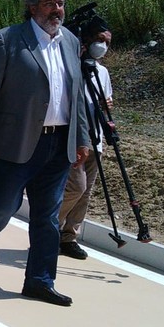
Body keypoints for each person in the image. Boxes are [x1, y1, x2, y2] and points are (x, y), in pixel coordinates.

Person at [0, 0, 90, 307]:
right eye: (49, 3)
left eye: (60, 3)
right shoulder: (8, 39)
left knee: (47, 216)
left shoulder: (71, 42)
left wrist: (82, 138)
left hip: (58, 145)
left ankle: (40, 281)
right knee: (3, 206)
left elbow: (77, 96)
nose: (56, 10)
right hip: (11, 143)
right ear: (32, 8)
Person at [58, 31, 113, 260]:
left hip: (96, 137)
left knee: (86, 193)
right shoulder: (72, 67)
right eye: (99, 39)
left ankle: (69, 237)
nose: (102, 45)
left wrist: (106, 106)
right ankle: (49, 226)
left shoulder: (103, 72)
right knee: (76, 187)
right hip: (74, 138)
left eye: (107, 42)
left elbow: (106, 103)